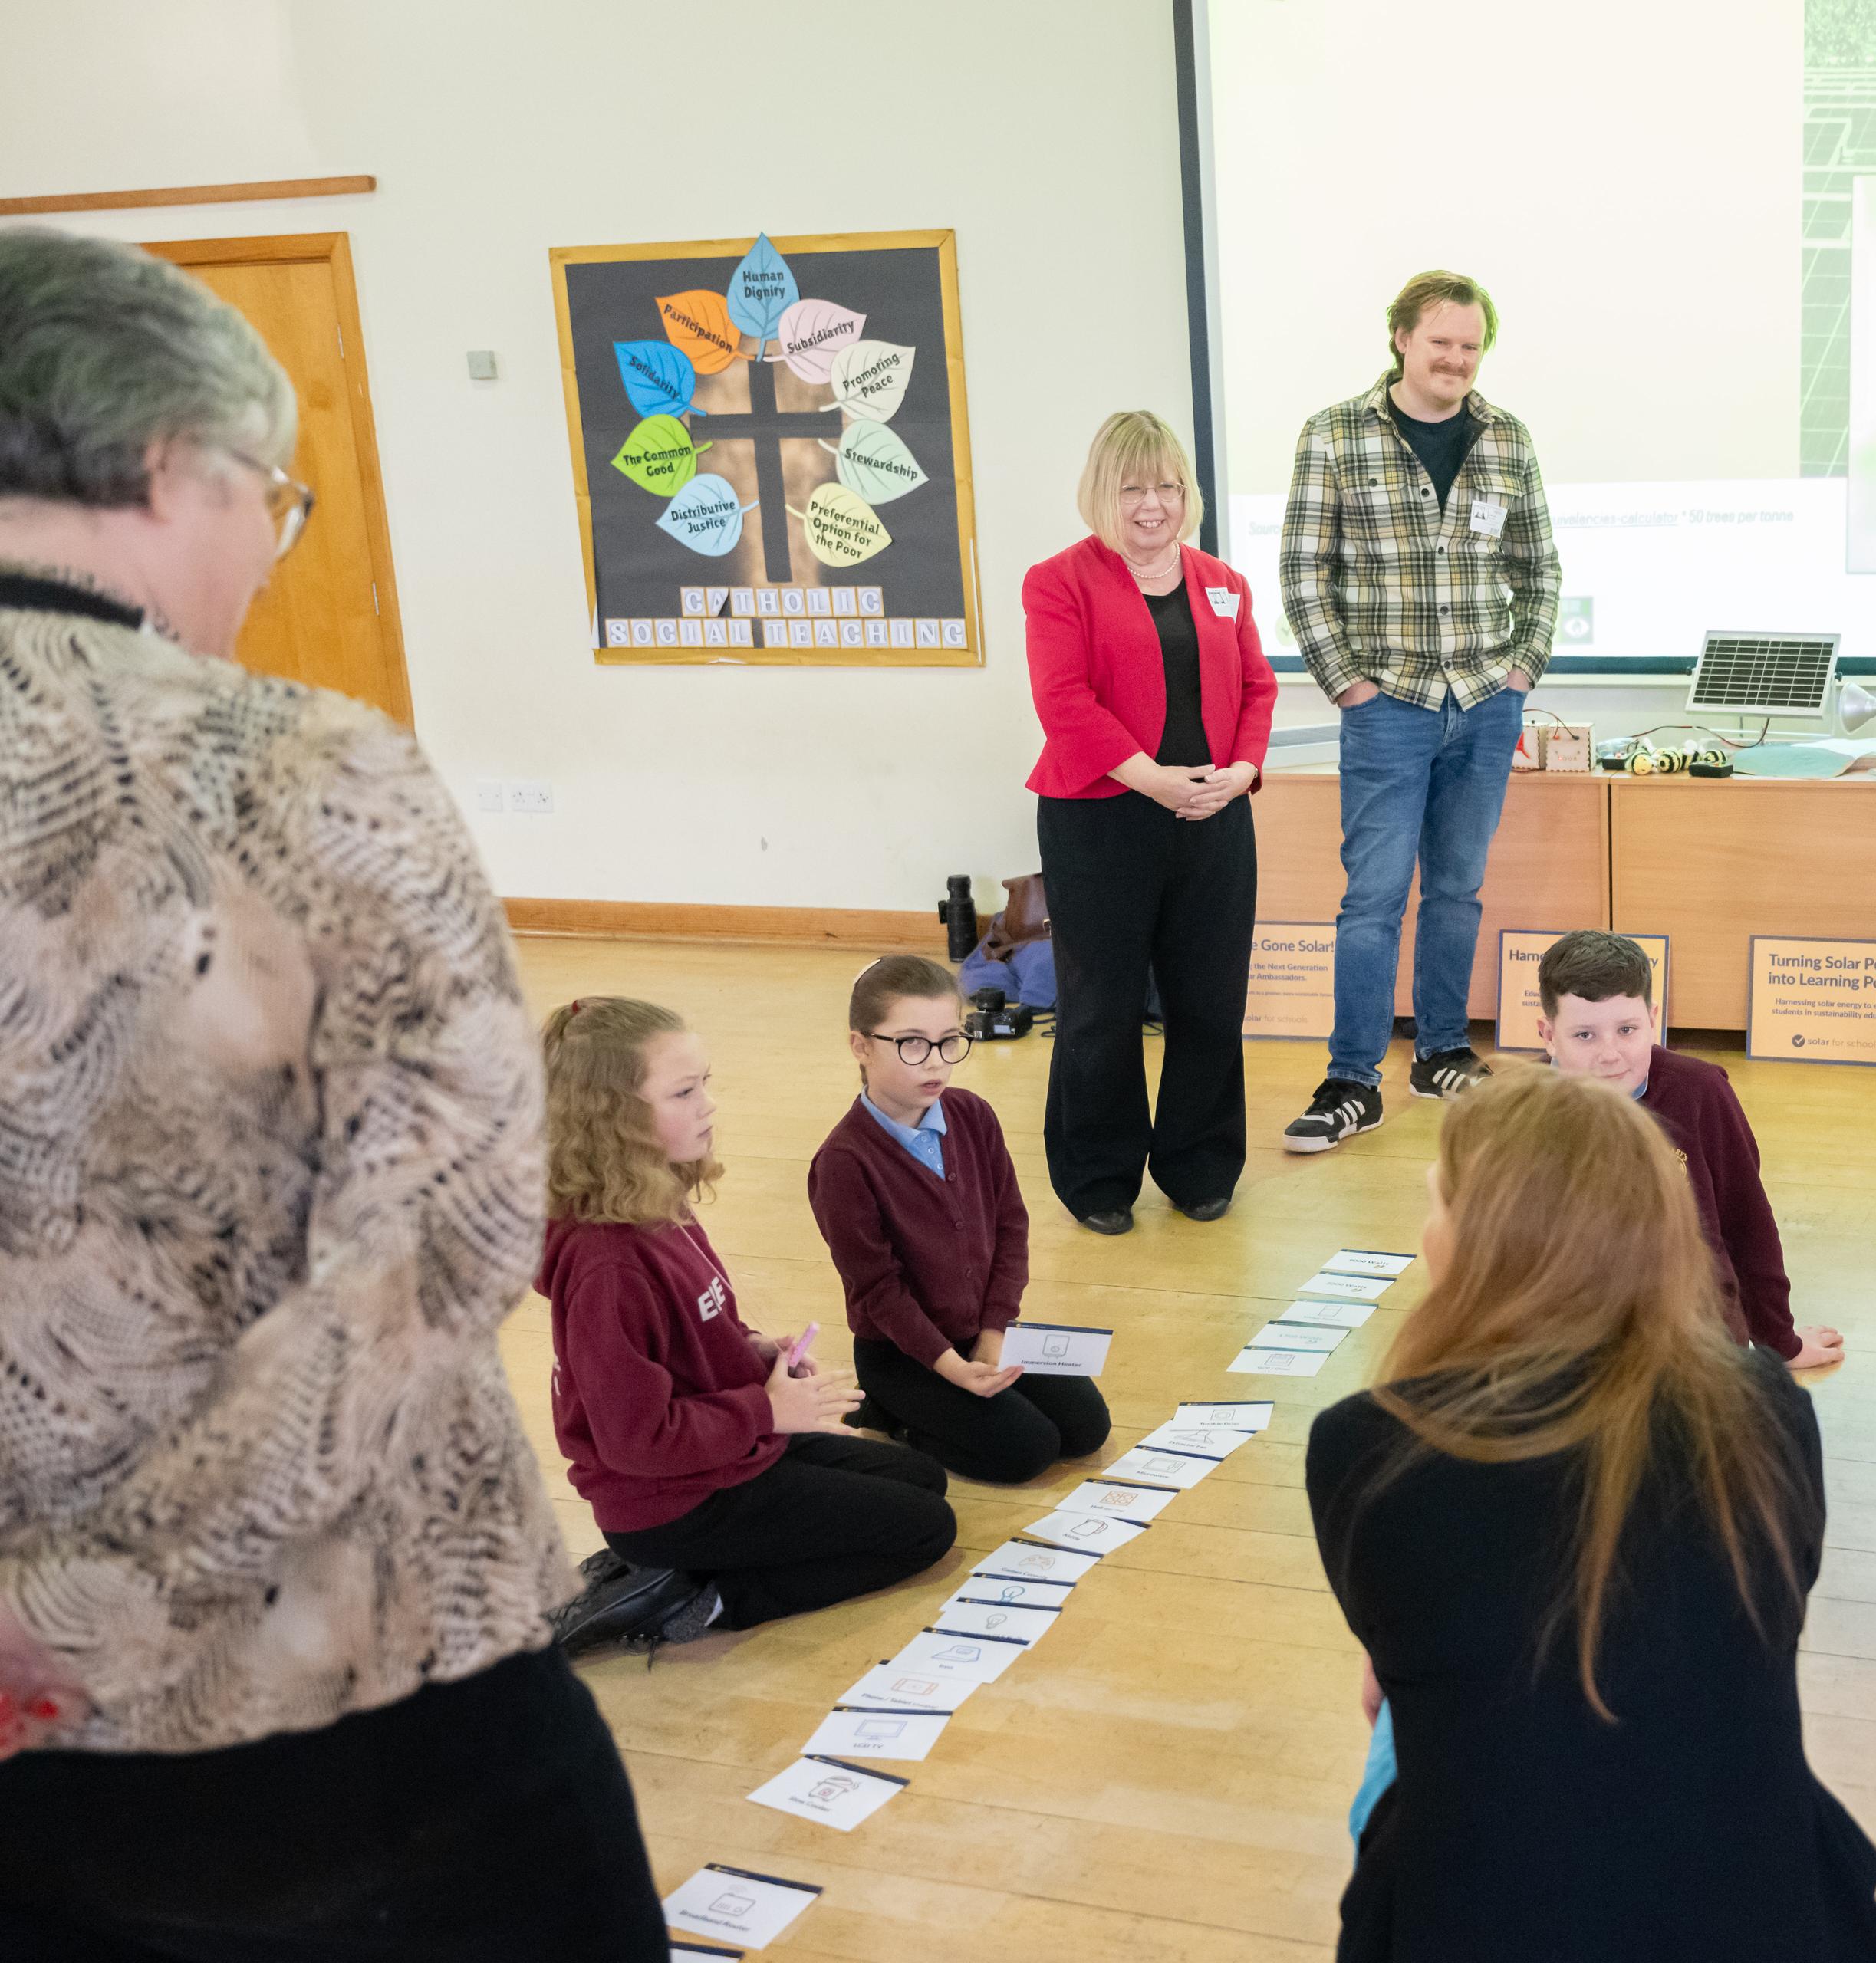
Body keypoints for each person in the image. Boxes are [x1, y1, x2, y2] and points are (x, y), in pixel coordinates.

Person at [0, 229, 666, 1958]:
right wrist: (80, 1613)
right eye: (273, 506)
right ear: (168, 463)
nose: (269, 561)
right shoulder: (300, 767)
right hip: (360, 1716)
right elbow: (433, 1253)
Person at [1305, 1069, 1876, 1960]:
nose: (1424, 1230)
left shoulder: (1364, 1445)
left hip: (1481, 1913)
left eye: (1438, 1204)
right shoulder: (1768, 1408)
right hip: (1767, 1902)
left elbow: (1409, 1652)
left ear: (1486, 1244)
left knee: (1398, 1715)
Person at [541, 996, 959, 1637]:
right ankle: (698, 1601)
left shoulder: (654, 1195)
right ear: (614, 1120)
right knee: (925, 1531)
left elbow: (693, 1335)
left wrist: (758, 1353)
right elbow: (636, 1440)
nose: (709, 1104)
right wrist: (766, 1413)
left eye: (703, 1084)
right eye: (683, 1093)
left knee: (921, 1479)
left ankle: (678, 1569)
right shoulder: (608, 1268)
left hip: (720, 1452)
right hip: (670, 1503)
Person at [1279, 269, 1562, 1153]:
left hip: (1484, 705)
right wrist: (1347, 683)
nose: (1457, 360)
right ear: (1401, 337)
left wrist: (1521, 671)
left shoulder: (1506, 438)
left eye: (1472, 347)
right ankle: (1352, 1078)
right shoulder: (1334, 434)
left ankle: (1442, 1052)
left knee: (1457, 890)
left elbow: (1541, 570)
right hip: (1387, 704)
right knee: (1371, 899)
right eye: (1442, 342)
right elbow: (1302, 572)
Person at [1023, 409, 1274, 1234]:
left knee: (1209, 999)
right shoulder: (1058, 581)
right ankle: (1097, 1177)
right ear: (1103, 492)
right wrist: (1156, 782)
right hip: (1101, 818)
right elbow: (1065, 703)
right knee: (1102, 1004)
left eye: (1166, 485)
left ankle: (1200, 1164)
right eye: (1133, 487)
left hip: (1213, 817)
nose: (1152, 504)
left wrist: (1237, 774)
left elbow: (1257, 689)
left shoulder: (1222, 580)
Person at [809, 955, 1114, 1482]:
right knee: (1027, 1451)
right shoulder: (843, 1163)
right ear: (861, 1046)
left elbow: (1011, 1228)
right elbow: (879, 1291)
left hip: (982, 1331)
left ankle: (962, 1387)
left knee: (1087, 1428)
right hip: (904, 1353)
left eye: (950, 1040)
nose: (935, 1062)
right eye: (911, 1043)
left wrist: (995, 1331)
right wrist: (951, 1367)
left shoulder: (973, 1115)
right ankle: (889, 1413)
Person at [1532, 929, 1845, 1369]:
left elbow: (1748, 1221)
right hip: (1567, 1343)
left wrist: (1779, 1341)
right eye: (1585, 1036)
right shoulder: (1517, 1111)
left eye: (1627, 1030)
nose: (1610, 1055)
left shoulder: (1701, 1091)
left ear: (1653, 1019)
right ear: (1548, 1034)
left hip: (1696, 1343)